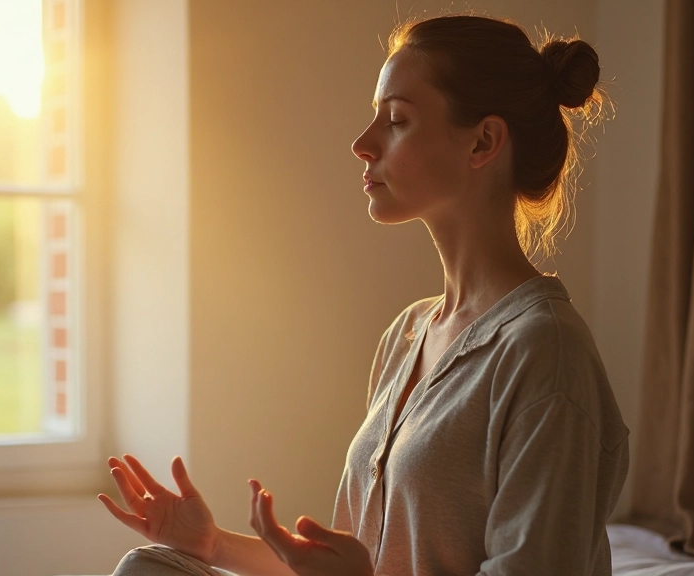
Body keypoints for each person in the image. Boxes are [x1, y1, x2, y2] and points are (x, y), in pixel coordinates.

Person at [98, 13, 629, 576]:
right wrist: (214, 546)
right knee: (151, 567)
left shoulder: (544, 353)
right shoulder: (408, 334)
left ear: (484, 141)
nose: (361, 144)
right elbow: (361, 559)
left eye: (396, 120)